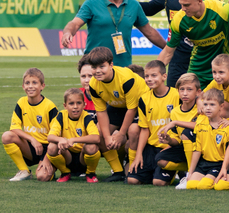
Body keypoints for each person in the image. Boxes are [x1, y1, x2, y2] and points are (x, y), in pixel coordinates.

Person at [139, 0, 224, 87]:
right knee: (176, 100)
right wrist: (126, 2)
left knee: (206, 103)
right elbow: (149, 9)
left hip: (204, 59)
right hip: (177, 58)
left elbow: (228, 19)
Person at [62, 0, 166, 68]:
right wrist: (68, 32)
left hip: (123, 67)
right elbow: (75, 24)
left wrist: (168, 49)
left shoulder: (134, 5)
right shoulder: (91, 3)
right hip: (94, 66)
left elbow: (150, 32)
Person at [87, 46, 147, 182]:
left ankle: (132, 167)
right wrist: (108, 137)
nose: (97, 71)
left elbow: (131, 109)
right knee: (99, 134)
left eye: (102, 66)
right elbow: (101, 112)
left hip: (139, 105)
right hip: (117, 105)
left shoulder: (126, 79)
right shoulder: (93, 84)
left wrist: (120, 134)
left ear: (111, 65)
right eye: (94, 67)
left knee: (132, 131)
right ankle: (118, 171)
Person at [2, 68, 59, 182]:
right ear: (23, 86)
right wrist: (32, 139)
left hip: (48, 148)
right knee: (7, 136)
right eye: (27, 83)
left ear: (42, 86)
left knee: (42, 177)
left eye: (34, 82)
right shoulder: (21, 102)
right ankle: (24, 171)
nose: (30, 86)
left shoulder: (49, 106)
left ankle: (50, 168)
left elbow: (56, 135)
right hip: (31, 147)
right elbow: (14, 128)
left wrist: (47, 157)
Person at [128, 60, 178, 186]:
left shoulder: (176, 95)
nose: (149, 79)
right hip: (151, 147)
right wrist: (138, 155)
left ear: (164, 76)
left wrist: (171, 145)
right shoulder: (144, 99)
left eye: (154, 75)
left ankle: (178, 168)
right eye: (147, 76)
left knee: (158, 182)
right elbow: (145, 129)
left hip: (170, 146)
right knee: (132, 180)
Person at [155, 72, 201, 189]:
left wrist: (175, 122)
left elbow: (199, 126)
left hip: (202, 148)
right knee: (160, 159)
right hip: (185, 148)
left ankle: (191, 175)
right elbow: (177, 139)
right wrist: (169, 140)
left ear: (198, 92)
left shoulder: (201, 108)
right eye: (182, 89)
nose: (185, 93)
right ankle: (187, 170)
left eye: (189, 89)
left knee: (187, 132)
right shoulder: (175, 112)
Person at [45, 89, 101, 183]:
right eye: (71, 103)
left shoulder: (86, 116)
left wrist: (74, 140)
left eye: (79, 103)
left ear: (84, 105)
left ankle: (90, 173)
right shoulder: (61, 115)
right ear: (65, 106)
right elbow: (50, 137)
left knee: (91, 147)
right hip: (68, 157)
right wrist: (61, 139)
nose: (75, 107)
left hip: (83, 159)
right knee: (51, 147)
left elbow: (96, 137)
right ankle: (65, 173)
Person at [185, 89, 229, 190]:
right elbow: (197, 150)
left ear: (221, 106)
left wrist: (225, 169)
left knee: (203, 186)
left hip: (218, 165)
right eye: (205, 104)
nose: (208, 108)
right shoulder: (200, 124)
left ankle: (213, 179)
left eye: (212, 105)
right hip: (203, 163)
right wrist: (190, 172)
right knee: (191, 185)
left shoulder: (226, 127)